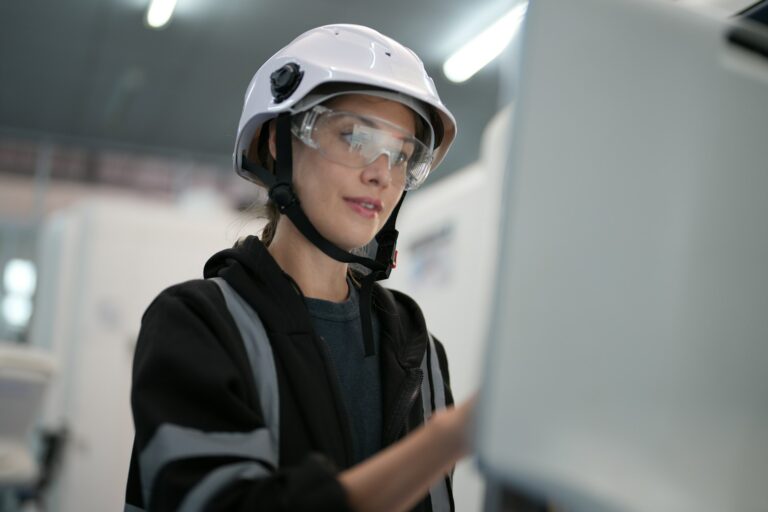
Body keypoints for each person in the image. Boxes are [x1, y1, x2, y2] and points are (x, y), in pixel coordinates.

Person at [124, 24, 475, 512]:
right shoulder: (196, 324)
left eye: (401, 155)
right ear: (276, 142)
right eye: (354, 136)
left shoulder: (418, 349)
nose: (381, 172)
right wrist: (448, 439)